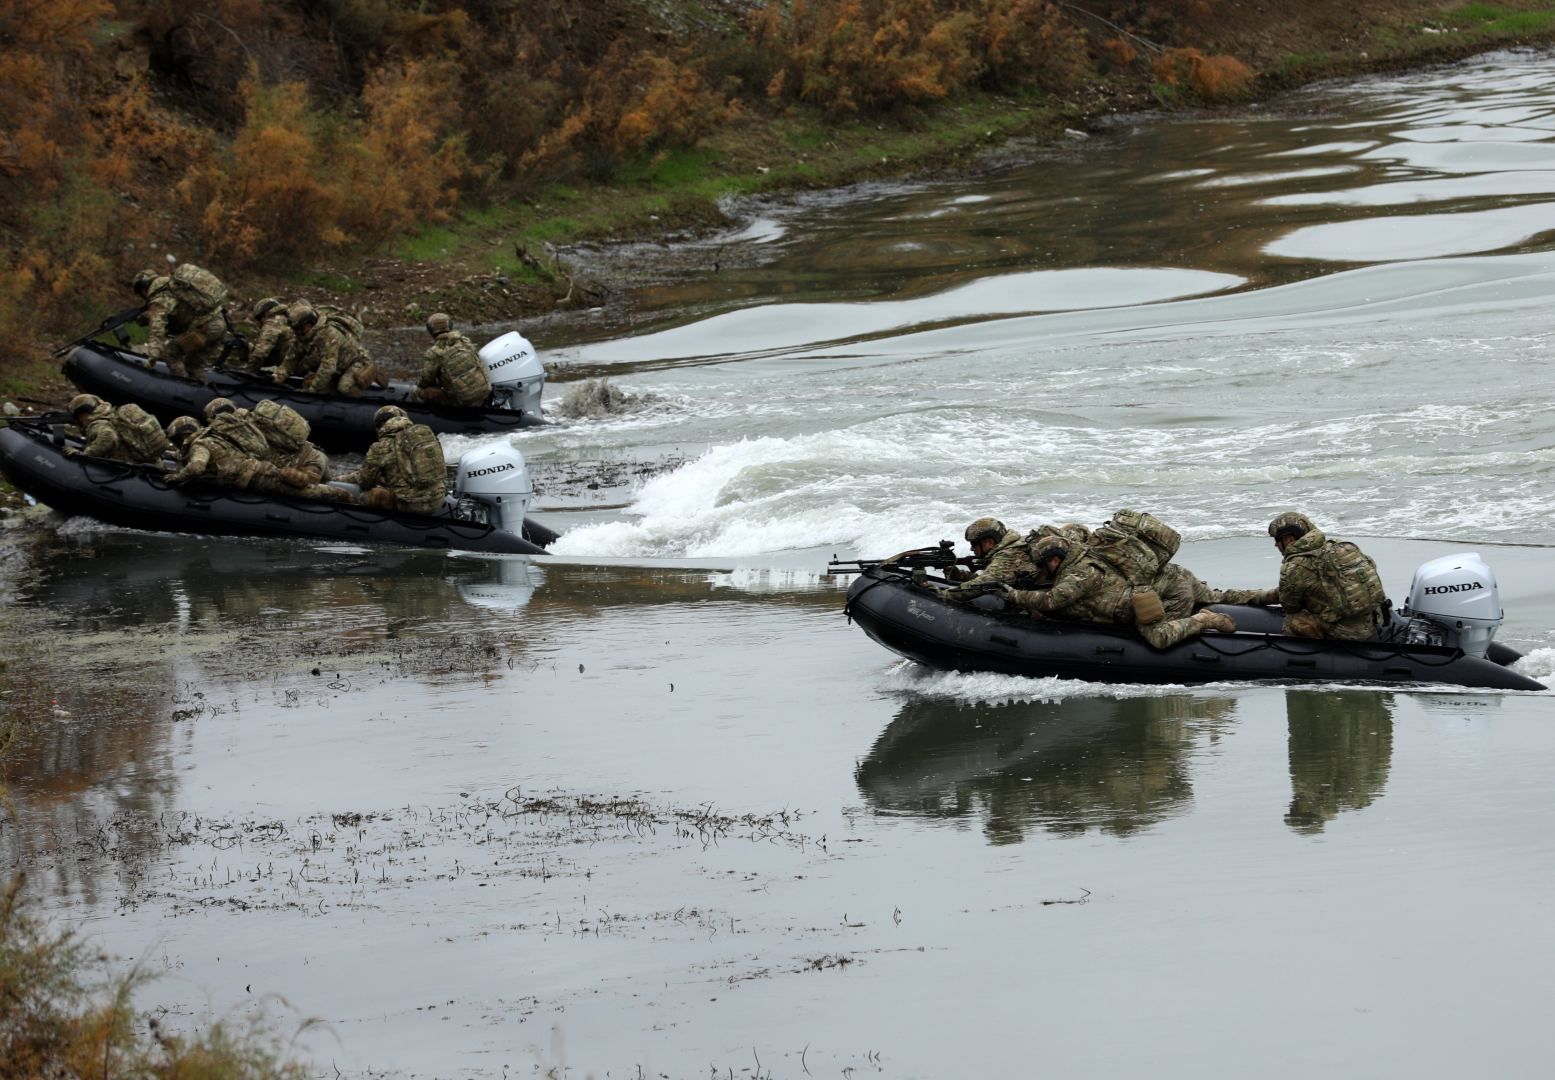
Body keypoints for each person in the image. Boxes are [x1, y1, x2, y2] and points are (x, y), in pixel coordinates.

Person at [1006, 535, 1236, 649]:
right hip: (1121, 608)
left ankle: (1203, 619)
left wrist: (1012, 595)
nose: (1041, 571)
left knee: (1159, 639)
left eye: (1043, 565)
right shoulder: (1076, 565)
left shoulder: (1081, 572)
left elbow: (1052, 601)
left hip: (1133, 608)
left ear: (1054, 560)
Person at [1253, 512, 1388, 639]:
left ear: (1289, 539)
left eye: (1277, 540)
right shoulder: (1338, 548)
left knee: (1292, 619)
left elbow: (1289, 605)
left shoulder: (1296, 566)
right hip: (1373, 624)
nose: (1276, 544)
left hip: (1348, 634)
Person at [334, 405, 446, 514]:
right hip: (438, 500)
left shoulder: (380, 446)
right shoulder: (424, 437)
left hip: (411, 505)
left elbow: (365, 481)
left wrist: (340, 479)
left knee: (368, 496)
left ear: (380, 425)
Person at [131, 263, 230, 379]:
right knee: (194, 366)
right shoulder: (176, 289)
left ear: (143, 289)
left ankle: (182, 386)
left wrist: (152, 357)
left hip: (205, 329)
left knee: (171, 353)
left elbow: (157, 329)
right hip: (220, 326)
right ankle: (200, 392)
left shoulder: (160, 298)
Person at [281, 301, 382, 396]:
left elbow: (327, 367)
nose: (295, 332)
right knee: (308, 381)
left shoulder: (329, 335)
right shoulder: (301, 337)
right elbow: (290, 359)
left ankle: (370, 373)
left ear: (307, 325)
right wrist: (279, 375)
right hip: (337, 365)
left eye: (297, 328)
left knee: (344, 387)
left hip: (355, 362)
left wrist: (312, 391)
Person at [413, 312, 491, 408]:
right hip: (484, 394)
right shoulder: (465, 342)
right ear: (450, 326)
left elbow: (425, 380)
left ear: (430, 330)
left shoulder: (434, 352)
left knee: (418, 391)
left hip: (461, 402)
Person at [64, 394, 170, 464]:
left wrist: (85, 454)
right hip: (152, 462)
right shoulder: (112, 414)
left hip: (129, 464)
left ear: (82, 414)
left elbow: (109, 437)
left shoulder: (97, 423)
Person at [936, 517, 1037, 587]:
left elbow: (979, 586)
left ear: (989, 543)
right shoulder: (1016, 543)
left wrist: (940, 594)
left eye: (974, 544)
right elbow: (987, 580)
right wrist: (956, 574)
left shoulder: (1007, 556)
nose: (972, 549)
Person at [245, 297, 296, 375]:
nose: (260, 324)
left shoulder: (273, 322)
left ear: (265, 313)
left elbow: (260, 353)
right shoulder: (287, 319)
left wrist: (248, 373)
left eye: (259, 318)